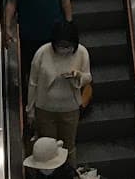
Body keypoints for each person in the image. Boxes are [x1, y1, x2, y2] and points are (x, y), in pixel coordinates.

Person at [27, 21, 90, 160]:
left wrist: (78, 75)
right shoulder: (43, 53)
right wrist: (30, 110)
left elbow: (88, 77)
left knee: (69, 146)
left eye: (68, 46)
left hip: (70, 108)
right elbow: (33, 83)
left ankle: (68, 177)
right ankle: (50, 177)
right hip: (45, 108)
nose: (64, 49)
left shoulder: (81, 53)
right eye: (61, 46)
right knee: (47, 148)